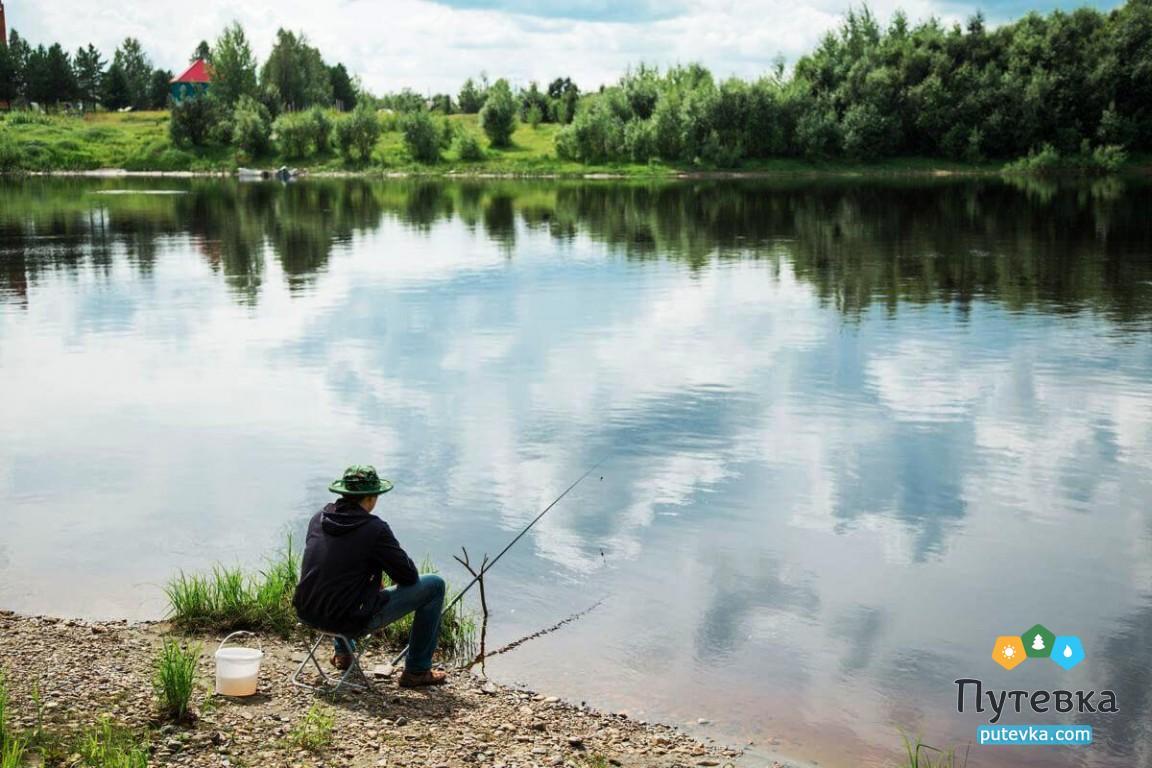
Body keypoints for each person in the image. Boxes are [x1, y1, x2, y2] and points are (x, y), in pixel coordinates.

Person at [293, 464, 448, 687]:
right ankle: (417, 670)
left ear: (343, 493)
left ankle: (343, 654)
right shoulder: (374, 528)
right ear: (371, 498)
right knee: (434, 585)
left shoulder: (318, 518)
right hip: (347, 620)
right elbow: (409, 577)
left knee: (341, 581)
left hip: (307, 612)